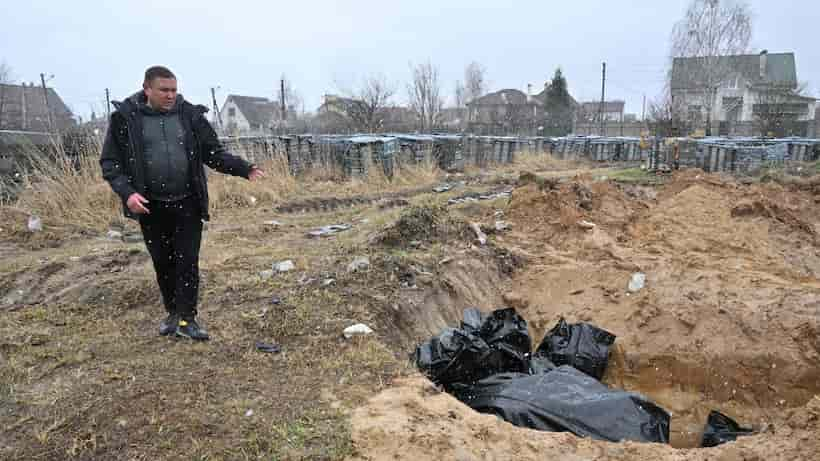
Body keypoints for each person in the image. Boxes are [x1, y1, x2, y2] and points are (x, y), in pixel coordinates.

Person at [100, 65, 265, 340]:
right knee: (163, 262)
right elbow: (110, 163)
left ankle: (188, 319)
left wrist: (243, 168)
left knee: (187, 261)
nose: (170, 95)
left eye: (174, 90)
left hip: (187, 202)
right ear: (147, 89)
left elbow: (213, 153)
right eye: (164, 90)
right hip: (149, 206)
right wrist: (127, 193)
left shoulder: (190, 117)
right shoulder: (125, 119)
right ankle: (173, 313)